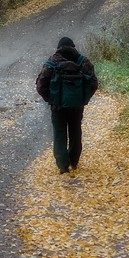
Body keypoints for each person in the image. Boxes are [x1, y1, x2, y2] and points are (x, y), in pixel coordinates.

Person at [35, 36, 99, 175]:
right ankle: (74, 161)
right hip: (77, 106)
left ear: (59, 48)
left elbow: (40, 86)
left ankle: (63, 165)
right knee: (75, 131)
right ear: (73, 47)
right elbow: (94, 83)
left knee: (59, 133)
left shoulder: (52, 62)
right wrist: (83, 99)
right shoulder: (83, 62)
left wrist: (51, 99)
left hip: (57, 107)